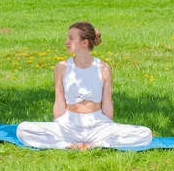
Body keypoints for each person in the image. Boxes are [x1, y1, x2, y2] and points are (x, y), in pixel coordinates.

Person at [16, 21, 153, 150]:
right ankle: (67, 145)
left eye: (71, 38)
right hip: (68, 124)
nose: (66, 42)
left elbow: (107, 102)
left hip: (97, 124)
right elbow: (59, 100)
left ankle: (97, 144)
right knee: (22, 129)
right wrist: (59, 124)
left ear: (84, 43)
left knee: (145, 134)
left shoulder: (103, 68)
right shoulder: (62, 67)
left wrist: (109, 127)